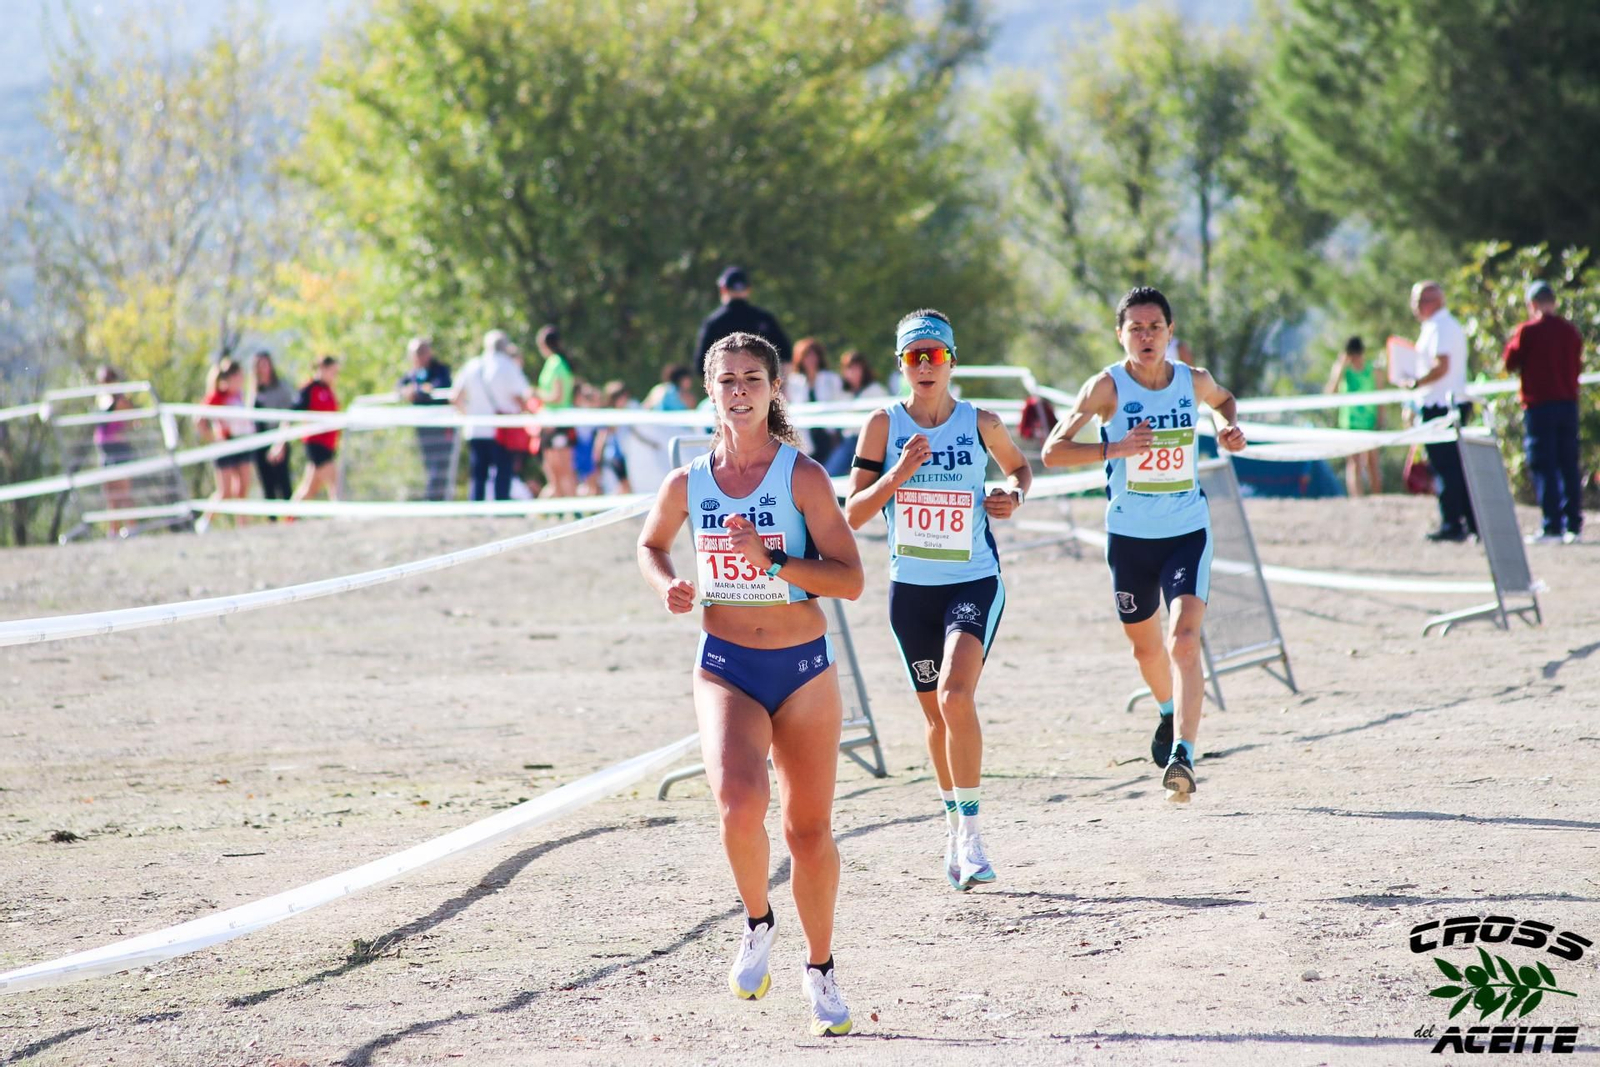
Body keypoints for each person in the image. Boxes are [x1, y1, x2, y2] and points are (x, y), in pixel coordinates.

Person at [636, 331, 864, 1037]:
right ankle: (758, 921)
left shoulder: (803, 477)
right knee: (740, 805)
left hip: (802, 670)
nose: (739, 391)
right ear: (709, 390)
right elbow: (650, 543)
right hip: (726, 664)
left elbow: (850, 579)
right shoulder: (687, 482)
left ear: (773, 390)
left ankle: (820, 968)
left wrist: (770, 557)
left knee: (808, 830)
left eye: (752, 379)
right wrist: (669, 583)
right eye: (726, 380)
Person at [844, 309, 1031, 890]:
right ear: (900, 364)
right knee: (934, 714)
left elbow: (1020, 470)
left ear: (952, 360)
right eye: (913, 357)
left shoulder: (982, 421)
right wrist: (898, 473)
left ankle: (973, 839)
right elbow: (853, 511)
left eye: (935, 355)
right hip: (912, 589)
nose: (925, 366)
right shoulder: (882, 424)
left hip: (973, 579)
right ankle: (952, 827)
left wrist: (1010, 496)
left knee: (955, 697)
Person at [1041, 286, 1247, 802]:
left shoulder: (1192, 382)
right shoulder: (1106, 388)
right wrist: (1114, 446)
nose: (1146, 336)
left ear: (1171, 332)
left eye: (1155, 326)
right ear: (1120, 335)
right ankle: (1167, 710)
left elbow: (1225, 401)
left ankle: (1184, 754)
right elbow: (1052, 452)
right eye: (1136, 328)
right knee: (1144, 646)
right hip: (1129, 536)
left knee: (1183, 638)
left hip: (1186, 530)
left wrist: (1228, 427)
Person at [1503, 281, 1585, 544]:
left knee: (1544, 464)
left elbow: (1510, 362)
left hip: (1540, 406)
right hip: (1568, 405)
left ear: (1533, 304)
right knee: (1568, 463)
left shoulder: (1528, 331)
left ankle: (1552, 525)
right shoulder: (1570, 331)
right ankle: (1574, 523)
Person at [1396, 280, 1474, 541]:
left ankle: (1456, 522)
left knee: (1447, 468)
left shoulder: (1441, 326)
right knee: (1448, 467)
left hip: (1443, 406)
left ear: (1432, 301)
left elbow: (1442, 366)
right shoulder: (1435, 327)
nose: (1414, 307)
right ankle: (1464, 521)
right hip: (1438, 404)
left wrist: (1416, 383)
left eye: (1418, 301)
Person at [453, 330, 533, 502]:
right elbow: (521, 396)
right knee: (503, 473)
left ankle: (476, 511)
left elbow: (455, 398)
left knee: (478, 474)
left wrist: (469, 415)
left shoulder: (471, 365)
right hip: (501, 430)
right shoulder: (507, 366)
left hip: (475, 429)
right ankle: (500, 512)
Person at [693, 266, 792, 379]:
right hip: (760, 387)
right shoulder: (764, 319)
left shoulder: (714, 323)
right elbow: (786, 356)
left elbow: (700, 365)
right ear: (748, 289)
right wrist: (780, 387)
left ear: (723, 289)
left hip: (727, 389)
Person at [198, 357, 256, 528]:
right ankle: (205, 521)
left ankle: (242, 524)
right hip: (226, 444)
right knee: (225, 492)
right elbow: (199, 418)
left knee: (243, 486)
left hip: (242, 443)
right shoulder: (218, 396)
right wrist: (213, 437)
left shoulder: (238, 395)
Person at [1323, 336, 1382, 497]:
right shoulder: (1344, 370)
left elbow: (1380, 395)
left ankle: (1378, 497)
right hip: (1350, 423)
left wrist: (1381, 417)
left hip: (1369, 422)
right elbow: (1330, 392)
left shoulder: (1373, 369)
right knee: (1354, 463)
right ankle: (1357, 499)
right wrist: (1340, 367)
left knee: (1372, 463)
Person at [398, 336, 454, 501]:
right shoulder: (413, 374)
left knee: (440, 462)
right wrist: (407, 391)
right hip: (422, 426)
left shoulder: (440, 370)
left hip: (440, 426)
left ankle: (435, 499)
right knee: (429, 463)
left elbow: (439, 387)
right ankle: (433, 497)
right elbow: (401, 386)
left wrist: (419, 392)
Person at [289, 356, 342, 504]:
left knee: (309, 489)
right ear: (323, 369)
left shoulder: (329, 390)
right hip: (316, 443)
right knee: (334, 481)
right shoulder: (310, 389)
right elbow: (292, 412)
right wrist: (280, 442)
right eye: (333, 372)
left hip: (328, 444)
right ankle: (340, 515)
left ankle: (289, 516)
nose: (335, 376)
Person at [825, 351, 888, 476]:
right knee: (830, 472)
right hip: (849, 441)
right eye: (849, 369)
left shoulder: (876, 390)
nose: (853, 373)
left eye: (856, 368)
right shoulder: (843, 393)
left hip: (872, 440)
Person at [534, 324, 579, 499]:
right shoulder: (561, 363)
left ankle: (571, 506)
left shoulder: (555, 363)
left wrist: (536, 394)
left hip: (556, 422)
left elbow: (557, 396)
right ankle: (564, 507)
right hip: (556, 421)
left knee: (559, 469)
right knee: (556, 469)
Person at [92, 364, 135, 538]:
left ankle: (132, 526)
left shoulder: (121, 401)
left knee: (123, 491)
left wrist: (120, 432)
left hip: (119, 450)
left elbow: (133, 420)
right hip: (105, 451)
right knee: (110, 494)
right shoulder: (100, 400)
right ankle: (114, 530)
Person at [250, 351, 296, 514]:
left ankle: (291, 518)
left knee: (284, 483)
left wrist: (279, 444)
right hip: (259, 442)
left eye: (265, 363)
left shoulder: (281, 388)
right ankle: (272, 521)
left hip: (278, 438)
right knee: (267, 484)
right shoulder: (254, 390)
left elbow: (287, 416)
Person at [793, 338, 845, 463]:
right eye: (807, 356)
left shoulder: (831, 378)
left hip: (828, 432)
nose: (811, 359)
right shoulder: (795, 381)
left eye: (813, 355)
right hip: (806, 433)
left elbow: (839, 401)